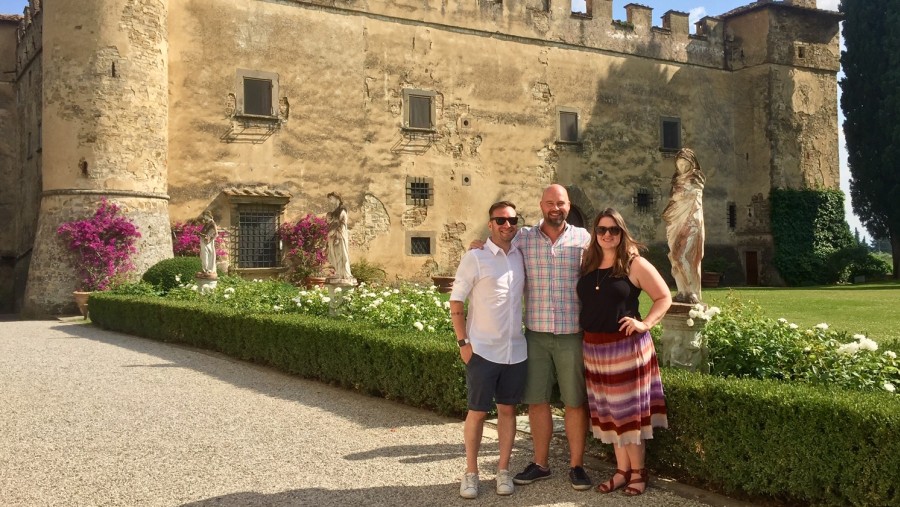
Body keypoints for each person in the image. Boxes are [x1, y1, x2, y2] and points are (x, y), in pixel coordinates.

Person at [480, 184, 594, 490]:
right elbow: (497, 240)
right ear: (541, 206)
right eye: (549, 203)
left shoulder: (584, 239)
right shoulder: (524, 237)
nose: (555, 208)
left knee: (574, 401)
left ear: (569, 205)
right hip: (537, 335)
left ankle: (577, 466)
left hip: (572, 333)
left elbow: (612, 258)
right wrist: (476, 245)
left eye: (561, 203)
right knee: (536, 401)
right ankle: (541, 464)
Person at [576, 208, 672, 496]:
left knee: (627, 414)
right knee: (608, 414)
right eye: (602, 229)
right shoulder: (588, 263)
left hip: (625, 348)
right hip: (594, 349)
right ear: (595, 233)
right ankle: (621, 471)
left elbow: (664, 297)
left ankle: (638, 473)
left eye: (613, 230)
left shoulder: (634, 264)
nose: (607, 235)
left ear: (621, 233)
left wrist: (645, 324)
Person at [449, 201, 528, 499]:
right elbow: (456, 302)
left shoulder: (521, 254)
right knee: (477, 413)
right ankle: (471, 472)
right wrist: (463, 343)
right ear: (490, 223)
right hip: (482, 350)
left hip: (515, 351)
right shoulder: (476, 257)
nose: (507, 225)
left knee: (508, 411)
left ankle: (503, 469)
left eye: (512, 220)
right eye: (501, 220)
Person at [662, 148, 705, 304]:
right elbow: (675, 199)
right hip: (675, 222)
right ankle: (682, 291)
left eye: (685, 164)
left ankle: (692, 292)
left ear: (691, 164)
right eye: (679, 164)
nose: (682, 168)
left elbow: (693, 196)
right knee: (674, 257)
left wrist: (681, 195)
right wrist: (679, 196)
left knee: (683, 256)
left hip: (691, 221)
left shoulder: (696, 179)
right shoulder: (676, 181)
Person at [325, 192, 353, 280]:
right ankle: (338, 272)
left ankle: (345, 273)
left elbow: (341, 223)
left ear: (337, 198)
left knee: (342, 253)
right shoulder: (334, 211)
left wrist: (337, 234)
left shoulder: (342, 209)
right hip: (333, 235)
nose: (330, 201)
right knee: (335, 254)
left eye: (331, 198)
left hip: (340, 235)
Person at [198, 211, 218, 278]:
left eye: (205, 216)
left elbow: (215, 233)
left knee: (208, 255)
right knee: (204, 255)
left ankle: (208, 269)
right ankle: (205, 269)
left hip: (208, 243)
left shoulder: (212, 223)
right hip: (204, 242)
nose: (204, 217)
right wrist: (200, 234)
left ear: (208, 215)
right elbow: (204, 232)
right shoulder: (207, 223)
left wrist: (208, 238)